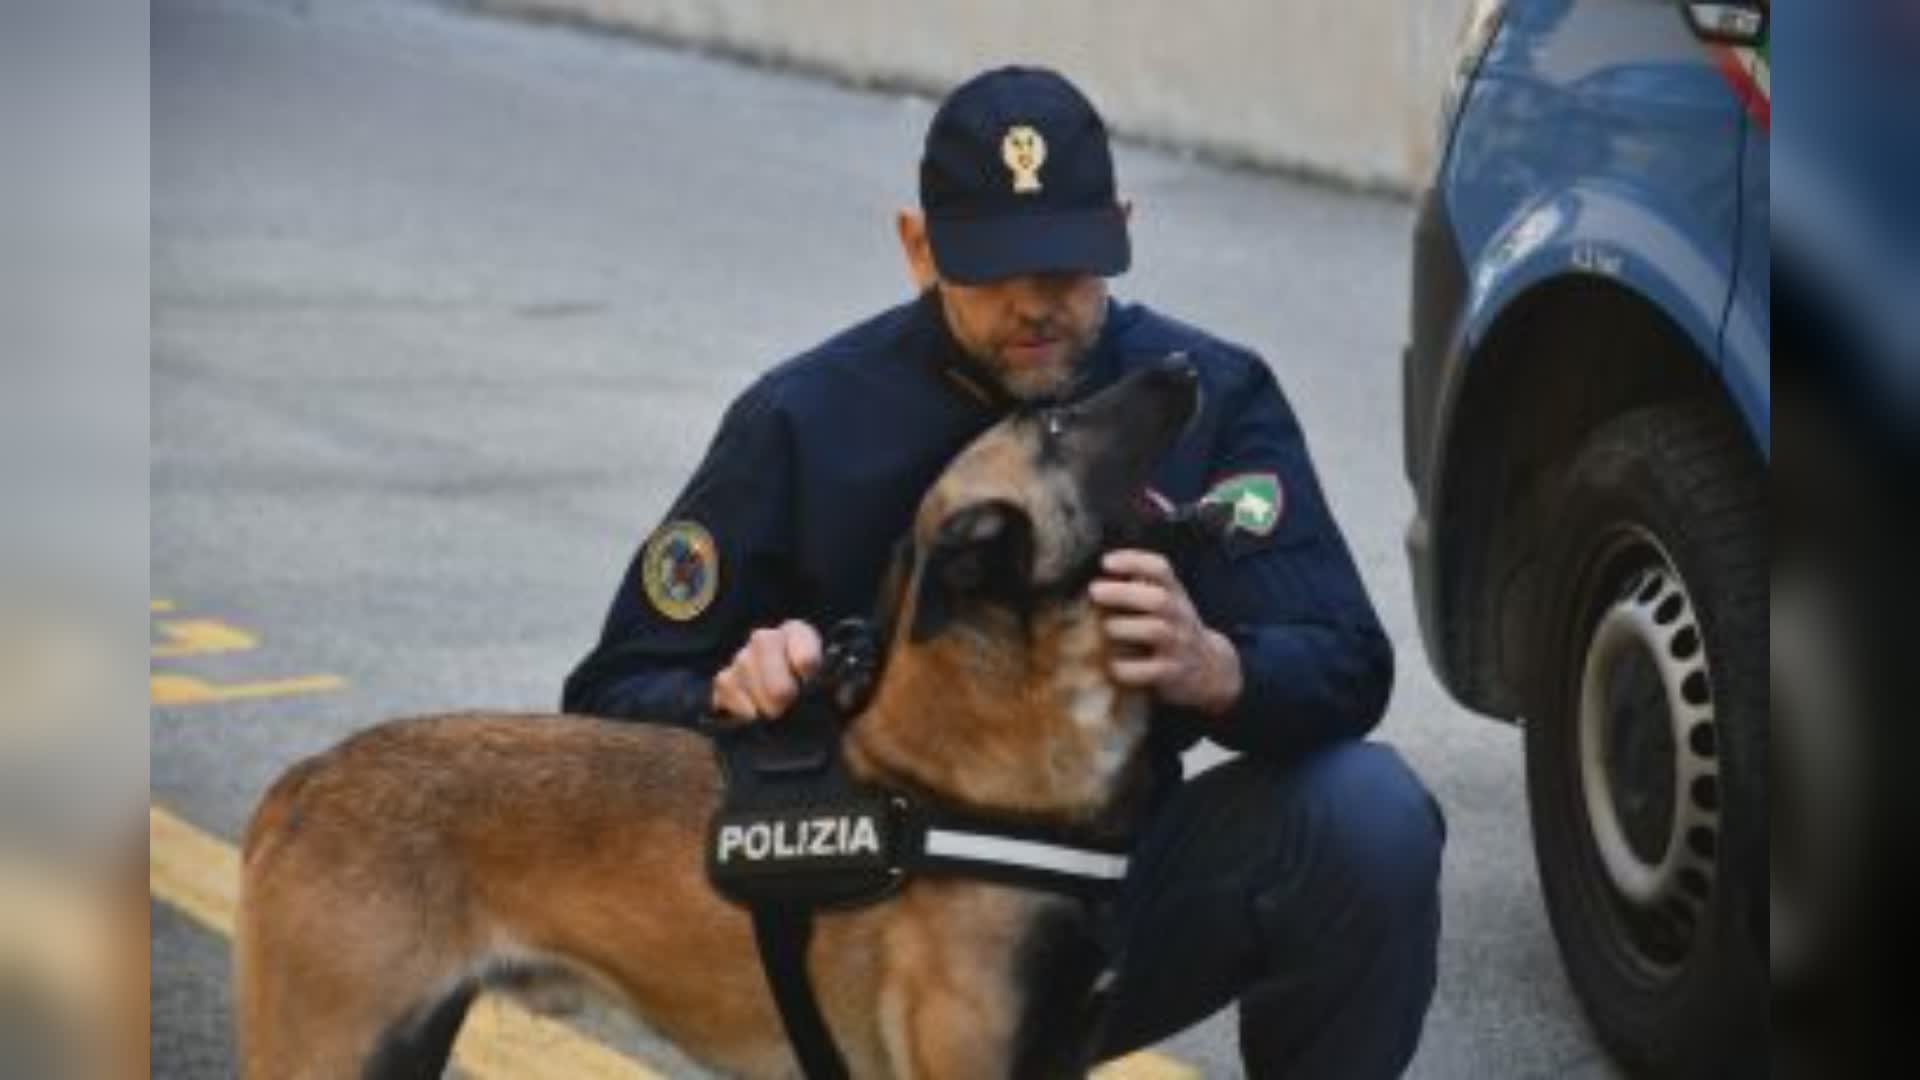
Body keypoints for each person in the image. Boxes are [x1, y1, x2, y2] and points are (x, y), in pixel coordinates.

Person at [564, 65, 1444, 1078]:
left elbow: (1347, 659)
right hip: (867, 939)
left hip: (1111, 897)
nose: (1034, 304)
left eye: (1067, 267)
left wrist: (1219, 666)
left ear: (1121, 226)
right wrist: (726, 691)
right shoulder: (801, 422)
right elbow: (605, 700)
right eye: (992, 270)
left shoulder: (1203, 397)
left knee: (1367, 818)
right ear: (917, 248)